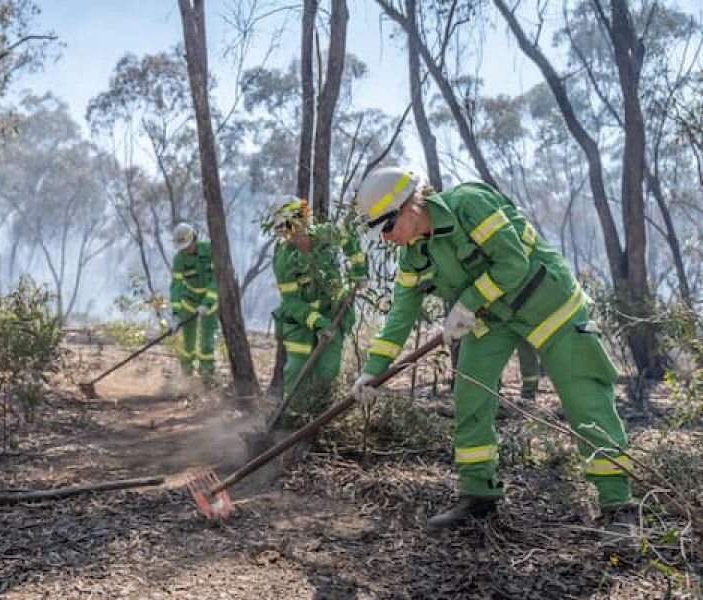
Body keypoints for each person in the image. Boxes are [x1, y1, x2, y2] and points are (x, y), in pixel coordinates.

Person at [350, 166, 632, 531]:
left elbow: (513, 262)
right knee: (470, 394)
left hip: (550, 306)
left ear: (409, 207)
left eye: (386, 227)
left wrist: (465, 305)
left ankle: (618, 505)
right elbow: (401, 313)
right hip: (493, 318)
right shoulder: (414, 255)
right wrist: (374, 369)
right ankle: (478, 497)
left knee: (585, 399)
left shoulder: (470, 204)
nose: (385, 238)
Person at [270, 197, 367, 427]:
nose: (288, 233)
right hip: (300, 323)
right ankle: (293, 420)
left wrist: (359, 270)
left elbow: (349, 239)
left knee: (327, 370)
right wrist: (318, 322)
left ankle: (320, 420)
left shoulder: (326, 234)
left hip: (335, 314)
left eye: (290, 225)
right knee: (296, 369)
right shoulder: (284, 259)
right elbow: (291, 302)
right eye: (283, 229)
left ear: (303, 219)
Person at [168, 223, 218, 384]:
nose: (185, 250)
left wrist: (207, 302)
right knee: (188, 343)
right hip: (189, 303)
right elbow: (176, 286)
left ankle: (206, 377)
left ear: (194, 239)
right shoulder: (179, 259)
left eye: (187, 246)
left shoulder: (210, 250)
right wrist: (176, 315)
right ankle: (186, 376)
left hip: (209, 305)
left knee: (207, 343)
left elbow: (216, 279)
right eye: (182, 247)